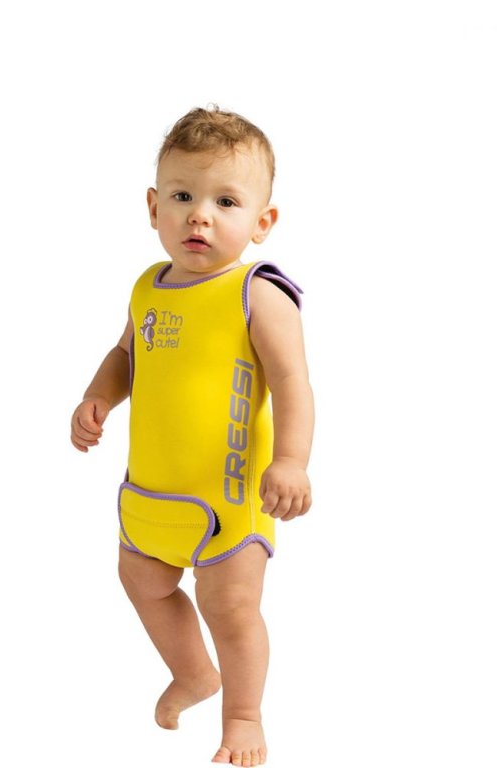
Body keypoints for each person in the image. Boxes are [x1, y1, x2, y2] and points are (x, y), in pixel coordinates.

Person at [70, 106, 314, 767]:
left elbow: (293, 383)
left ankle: (243, 715)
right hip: (153, 494)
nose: (198, 216)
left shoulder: (258, 295)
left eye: (225, 202)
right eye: (182, 196)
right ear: (154, 207)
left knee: (230, 608)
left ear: (262, 222)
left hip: (230, 497)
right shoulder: (148, 288)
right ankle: (193, 673)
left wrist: (292, 460)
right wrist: (98, 397)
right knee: (141, 579)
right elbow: (126, 355)